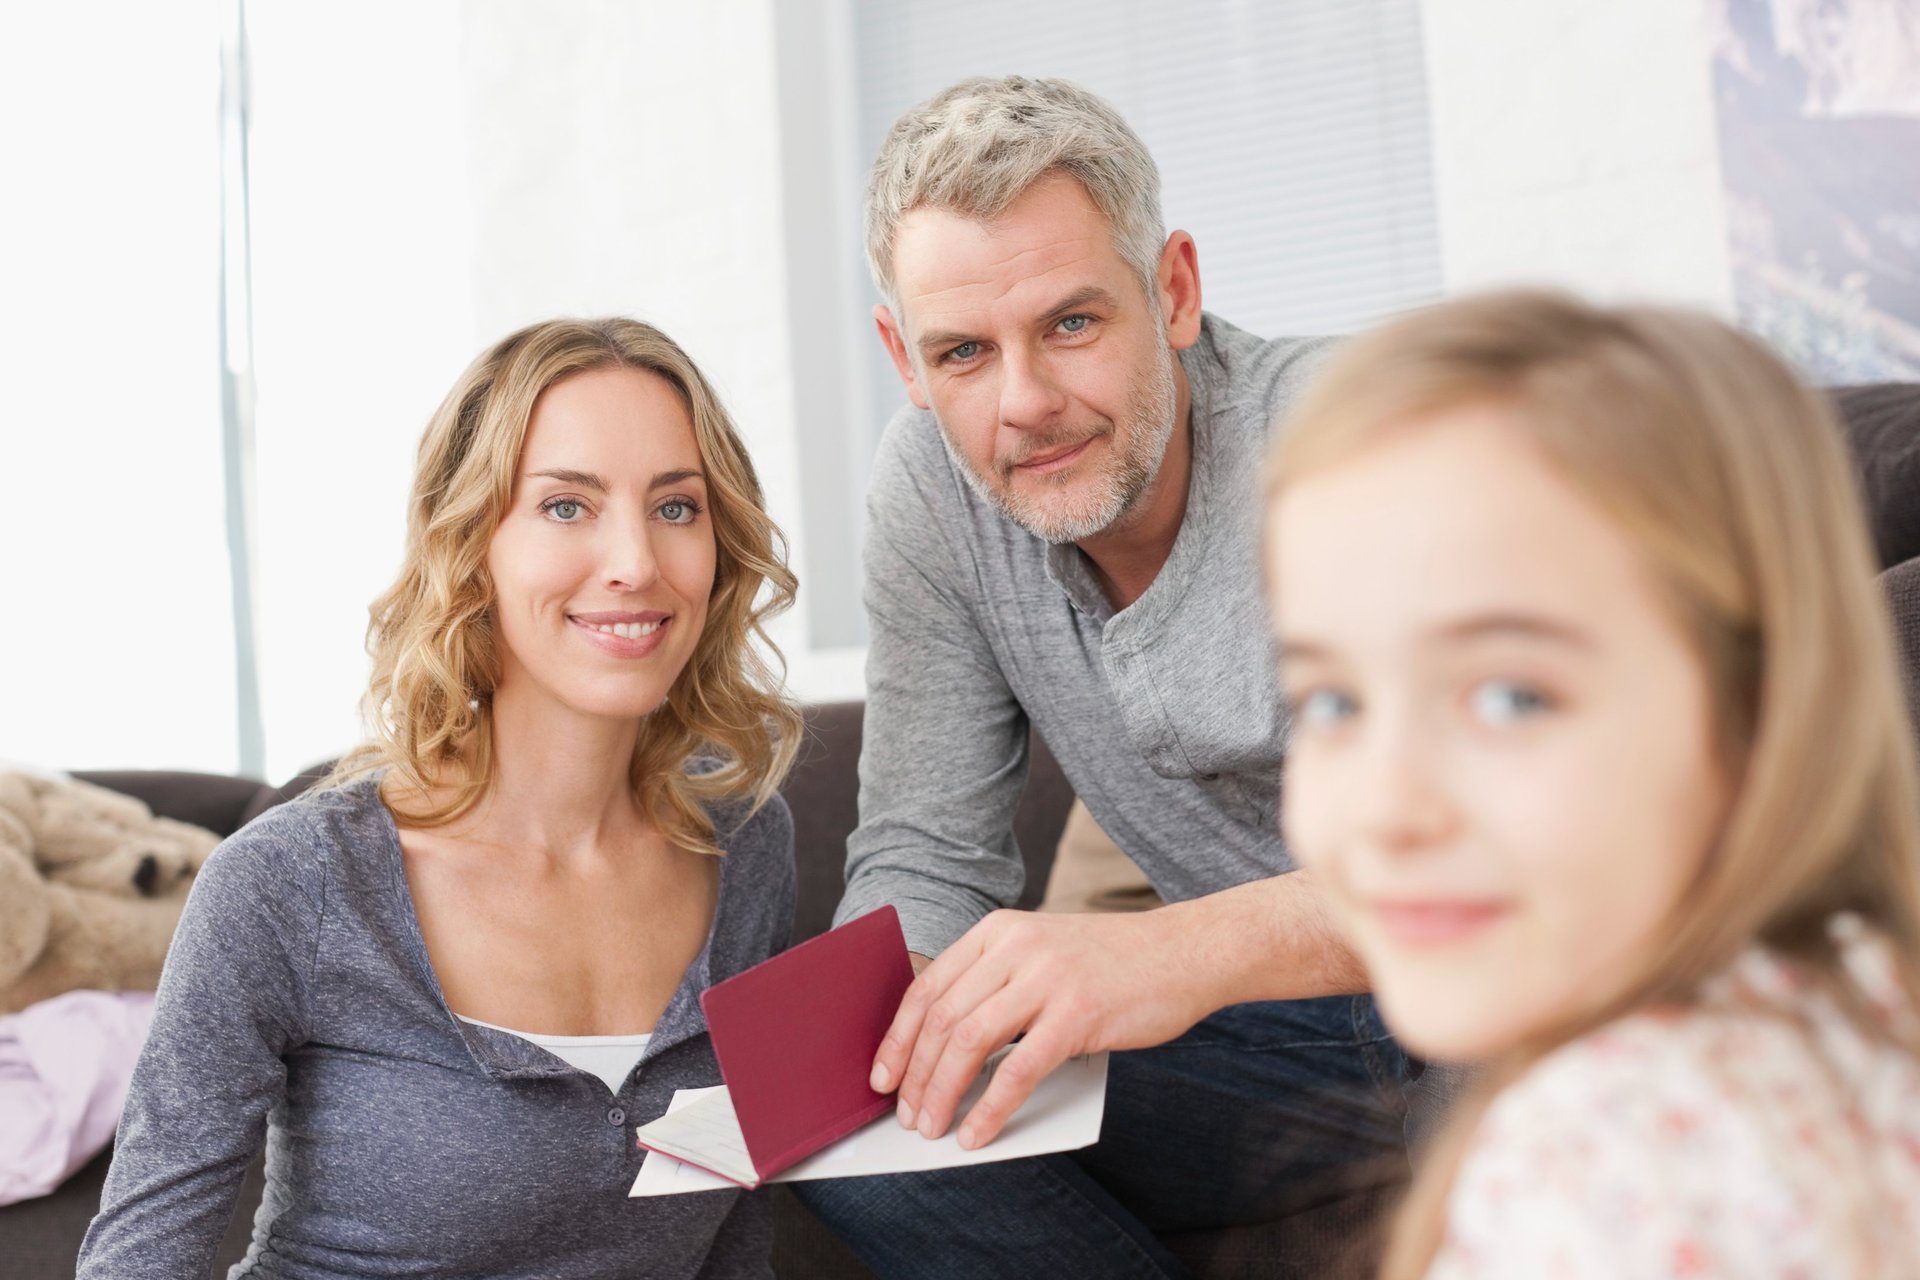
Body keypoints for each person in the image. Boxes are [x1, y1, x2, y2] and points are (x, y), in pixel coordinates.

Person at [794, 76, 1420, 1277]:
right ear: (904, 359)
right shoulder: (930, 488)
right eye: (963, 351)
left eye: (1072, 323)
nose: (1024, 402)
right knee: (860, 1137)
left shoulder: (1362, 441)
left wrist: (1172, 954)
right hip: (1272, 1052)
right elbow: (926, 847)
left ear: (1173, 290)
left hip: (1498, 983)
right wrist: (890, 1022)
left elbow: (1523, 851)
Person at [77, 318, 803, 1279]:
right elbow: (141, 1261)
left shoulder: (747, 842)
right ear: (471, 546)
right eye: (565, 507)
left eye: (677, 508)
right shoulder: (291, 883)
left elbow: (739, 1238)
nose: (636, 560)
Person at [1263, 290, 1920, 1277]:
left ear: (1757, 712)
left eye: (1512, 696)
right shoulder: (1858, 995)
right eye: (1330, 702)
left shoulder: (1597, 1163)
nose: (1382, 808)